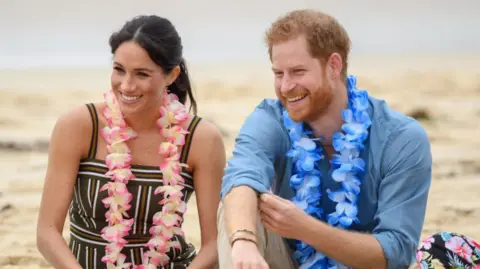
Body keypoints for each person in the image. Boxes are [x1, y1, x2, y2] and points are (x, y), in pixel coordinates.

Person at [217, 9, 433, 269]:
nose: (285, 87)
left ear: (334, 65)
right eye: (278, 73)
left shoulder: (401, 138)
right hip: (288, 262)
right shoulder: (270, 118)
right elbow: (241, 176)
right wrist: (243, 242)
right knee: (241, 207)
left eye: (297, 71)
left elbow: (396, 252)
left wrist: (307, 230)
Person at [36, 15, 225, 269]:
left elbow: (214, 244)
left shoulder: (202, 140)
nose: (126, 85)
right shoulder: (79, 126)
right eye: (119, 69)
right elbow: (47, 233)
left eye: (142, 74)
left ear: (172, 75)